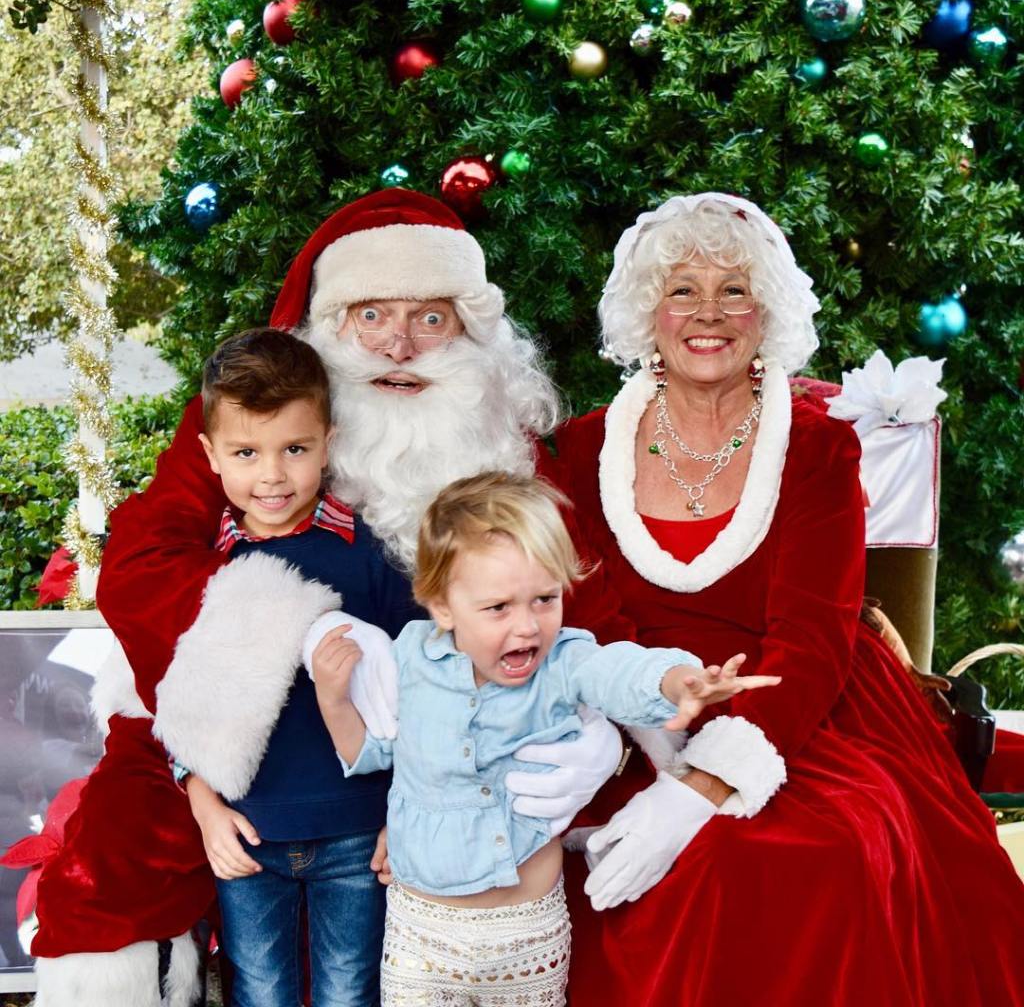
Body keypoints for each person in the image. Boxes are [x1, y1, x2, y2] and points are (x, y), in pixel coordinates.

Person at [26, 189, 623, 1006]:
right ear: (328, 325)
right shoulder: (258, 423)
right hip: (231, 711)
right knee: (122, 845)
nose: (400, 345)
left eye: (431, 318)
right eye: (371, 315)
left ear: (473, 331)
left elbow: (582, 596)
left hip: (442, 733)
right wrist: (300, 628)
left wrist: (602, 732)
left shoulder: (499, 440)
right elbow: (142, 564)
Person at [536, 192, 1024, 1005]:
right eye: (682, 290)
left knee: (818, 855)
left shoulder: (820, 446)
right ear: (647, 312)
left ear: (766, 312)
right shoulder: (583, 449)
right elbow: (589, 614)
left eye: (735, 290)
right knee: (594, 862)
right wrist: (660, 739)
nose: (709, 312)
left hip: (804, 702)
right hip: (634, 706)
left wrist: (704, 785)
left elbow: (814, 636)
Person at [308, 471, 778, 1007]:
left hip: (527, 934)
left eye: (544, 599)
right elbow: (373, 752)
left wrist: (678, 681)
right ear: (442, 606)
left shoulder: (563, 661)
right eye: (499, 607)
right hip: (422, 934)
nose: (528, 626)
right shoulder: (411, 658)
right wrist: (334, 701)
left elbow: (618, 672)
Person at [159, 327, 414, 1006]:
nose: (272, 475)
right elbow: (178, 702)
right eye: (247, 453)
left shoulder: (371, 556)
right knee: (261, 992)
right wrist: (205, 807)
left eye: (294, 449)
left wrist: (404, 815)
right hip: (247, 832)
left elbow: (424, 690)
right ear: (211, 454)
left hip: (357, 831)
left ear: (328, 442)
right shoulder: (205, 568)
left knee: (350, 992)